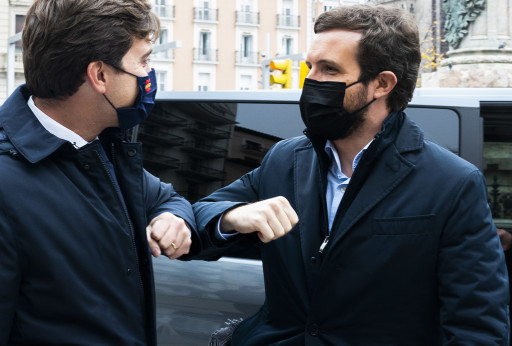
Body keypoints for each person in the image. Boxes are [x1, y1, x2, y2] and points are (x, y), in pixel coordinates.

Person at [190, 5, 509, 345]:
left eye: (329, 69)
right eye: (309, 66)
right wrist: (232, 216)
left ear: (382, 84)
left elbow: (476, 328)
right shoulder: (285, 159)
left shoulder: (452, 182)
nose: (310, 80)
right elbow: (197, 219)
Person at [0, 0, 194, 345]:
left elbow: (165, 198)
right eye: (143, 61)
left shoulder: (98, 149)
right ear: (99, 75)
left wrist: (173, 217)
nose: (149, 76)